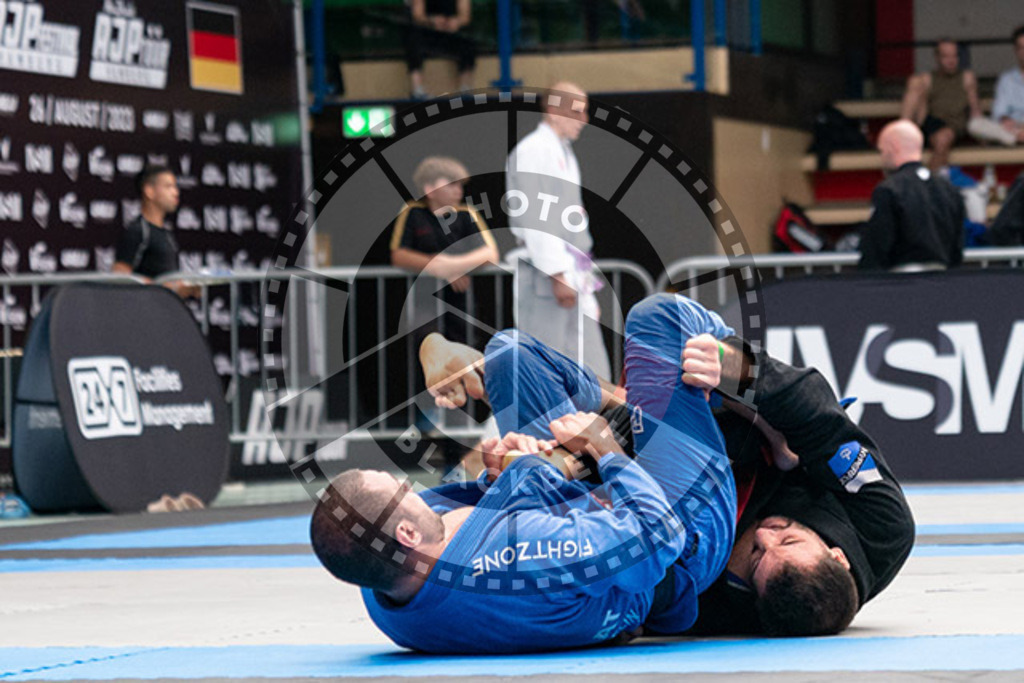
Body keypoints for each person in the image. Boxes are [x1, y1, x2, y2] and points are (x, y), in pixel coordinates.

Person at [422, 293, 915, 636]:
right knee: (516, 354)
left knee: (648, 324)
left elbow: (650, 591)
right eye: (788, 537)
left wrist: (571, 469)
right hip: (691, 465)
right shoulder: (883, 529)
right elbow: (822, 420)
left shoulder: (740, 612)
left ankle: (543, 455)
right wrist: (741, 372)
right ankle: (540, 437)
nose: (765, 535)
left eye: (759, 561)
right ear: (838, 555)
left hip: (670, 526)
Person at [310, 295, 738, 653]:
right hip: (682, 530)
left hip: (585, 504)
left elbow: (501, 533)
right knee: (658, 318)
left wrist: (499, 479)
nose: (409, 486)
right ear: (406, 533)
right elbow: (657, 535)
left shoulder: (384, 586)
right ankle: (736, 372)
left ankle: (620, 402)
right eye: (401, 490)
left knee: (508, 354)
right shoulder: (524, 555)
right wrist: (604, 449)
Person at [505, 82, 611, 381]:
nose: (584, 120)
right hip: (546, 273)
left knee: (591, 368)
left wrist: (585, 284)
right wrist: (557, 273)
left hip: (572, 266)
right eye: (578, 112)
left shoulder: (561, 151)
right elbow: (537, 217)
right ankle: (527, 428)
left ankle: (597, 426)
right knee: (544, 370)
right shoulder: (533, 151)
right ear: (553, 110)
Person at [390, 156, 499, 342]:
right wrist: (434, 266)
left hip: (461, 301)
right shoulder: (412, 212)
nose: (459, 191)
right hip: (423, 301)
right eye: (451, 184)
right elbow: (399, 255)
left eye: (460, 185)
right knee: (428, 350)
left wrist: (452, 266)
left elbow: (490, 254)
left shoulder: (467, 213)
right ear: (429, 189)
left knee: (464, 351)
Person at [858, 119, 965, 272]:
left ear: (892, 148)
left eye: (882, 151)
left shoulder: (889, 190)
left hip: (900, 284)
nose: (881, 158)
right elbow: (957, 248)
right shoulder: (949, 189)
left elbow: (877, 247)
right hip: (943, 282)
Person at [900, 39, 984, 169]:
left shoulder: (967, 78)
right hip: (932, 123)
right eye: (945, 56)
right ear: (937, 58)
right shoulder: (927, 79)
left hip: (955, 126)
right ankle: (902, 135)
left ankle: (927, 184)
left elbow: (975, 111)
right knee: (915, 81)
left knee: (943, 137)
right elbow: (921, 114)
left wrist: (982, 138)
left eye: (954, 56)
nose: (951, 61)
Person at [113, 165, 193, 297]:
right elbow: (119, 276)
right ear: (149, 191)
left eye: (175, 187)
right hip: (144, 313)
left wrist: (187, 287)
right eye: (168, 187)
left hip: (166, 311)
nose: (176, 193)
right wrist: (166, 288)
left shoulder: (166, 233)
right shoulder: (138, 231)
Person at [405, 0, 475, 99]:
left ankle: (465, 89)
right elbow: (418, 15)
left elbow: (465, 16)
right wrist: (432, 21)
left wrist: (456, 22)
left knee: (468, 40)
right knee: (412, 37)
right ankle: (417, 90)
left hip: (452, 32)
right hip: (428, 31)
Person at [992, 26, 1024, 144]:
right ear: (1016, 50)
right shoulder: (1006, 79)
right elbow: (999, 112)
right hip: (1012, 129)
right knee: (976, 125)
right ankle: (1017, 137)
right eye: (1021, 48)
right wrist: (1007, 121)